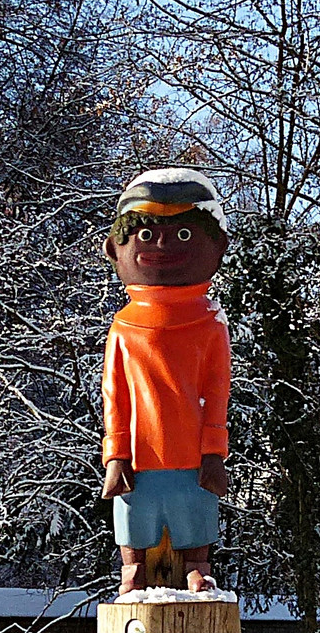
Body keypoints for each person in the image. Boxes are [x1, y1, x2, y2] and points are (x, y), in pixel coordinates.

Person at [99, 168, 231, 595]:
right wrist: (115, 452)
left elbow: (217, 390)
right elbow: (114, 395)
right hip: (139, 453)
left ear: (218, 246)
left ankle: (197, 563)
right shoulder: (123, 328)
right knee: (137, 511)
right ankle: (132, 566)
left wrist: (214, 449)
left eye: (185, 235)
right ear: (114, 249)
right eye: (145, 234)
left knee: (195, 508)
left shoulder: (210, 325)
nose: (162, 246)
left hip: (192, 451)